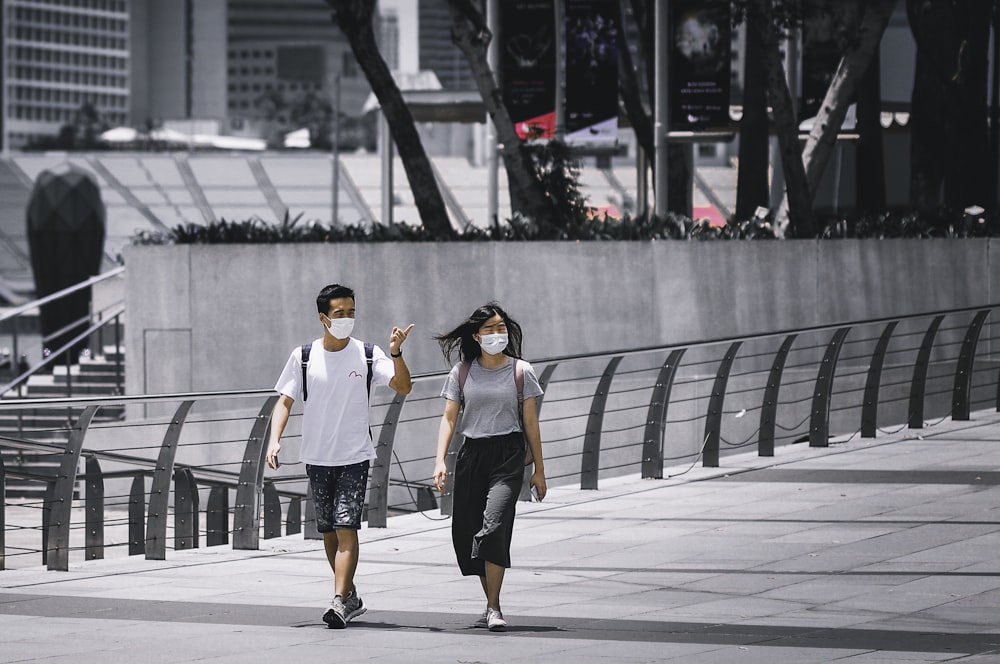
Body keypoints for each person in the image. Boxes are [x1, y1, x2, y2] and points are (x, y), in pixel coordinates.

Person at [266, 283, 413, 629]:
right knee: (329, 531)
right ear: (323, 318)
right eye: (339, 314)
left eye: (351, 312)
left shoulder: (367, 353)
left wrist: (396, 354)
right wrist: (275, 439)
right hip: (317, 457)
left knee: (346, 527)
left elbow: (403, 386)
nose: (346, 318)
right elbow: (284, 401)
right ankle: (350, 596)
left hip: (354, 456)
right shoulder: (303, 356)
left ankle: (337, 602)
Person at [432, 301, 546, 632]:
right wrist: (440, 459)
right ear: (476, 335)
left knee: (493, 526)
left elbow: (531, 421)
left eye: (501, 328)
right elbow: (449, 417)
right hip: (472, 454)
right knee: (468, 533)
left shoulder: (521, 370)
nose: (497, 334)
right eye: (490, 329)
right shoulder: (462, 372)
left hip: (508, 453)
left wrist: (539, 469)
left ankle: (494, 607)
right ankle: (489, 601)